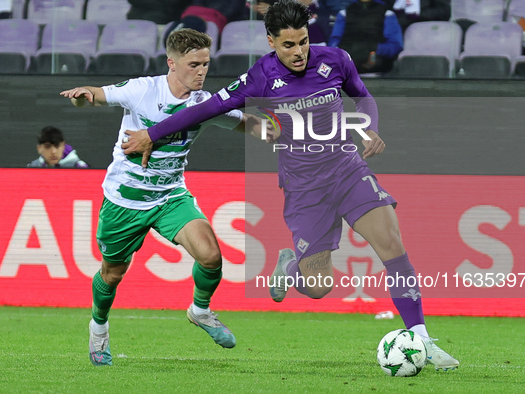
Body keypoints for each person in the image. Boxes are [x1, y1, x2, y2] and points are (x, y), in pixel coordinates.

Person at [121, 0, 459, 371]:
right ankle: (292, 265)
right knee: (318, 288)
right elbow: (206, 109)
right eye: (288, 45)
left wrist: (370, 126)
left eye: (303, 42)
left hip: (346, 169)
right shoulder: (260, 77)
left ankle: (423, 339)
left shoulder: (335, 59)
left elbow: (362, 96)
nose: (298, 52)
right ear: (270, 42)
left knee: (392, 244)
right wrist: (152, 134)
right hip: (304, 188)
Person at [60, 28, 269, 366]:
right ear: (172, 63)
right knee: (112, 274)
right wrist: (84, 93)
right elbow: (100, 94)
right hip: (125, 200)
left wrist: (282, 130)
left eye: (205, 64)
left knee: (211, 257)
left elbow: (245, 123)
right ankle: (98, 328)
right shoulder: (143, 90)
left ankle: (200, 310)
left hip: (171, 196)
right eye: (193, 64)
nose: (201, 71)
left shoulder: (206, 104)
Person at [328, 0, 403, 74]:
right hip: (347, 65)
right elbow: (334, 42)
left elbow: (395, 45)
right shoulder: (344, 13)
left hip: (377, 66)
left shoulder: (388, 14)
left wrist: (373, 48)